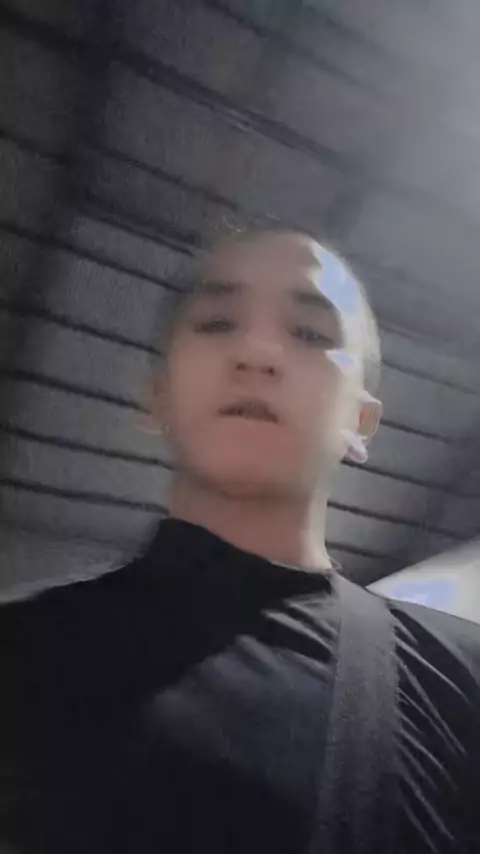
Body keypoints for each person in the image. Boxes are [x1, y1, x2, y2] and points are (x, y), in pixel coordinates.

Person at [1, 229, 479, 853]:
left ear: (360, 422)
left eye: (310, 333)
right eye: (217, 323)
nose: (257, 352)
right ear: (157, 394)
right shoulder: (19, 651)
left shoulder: (461, 680)